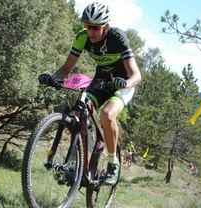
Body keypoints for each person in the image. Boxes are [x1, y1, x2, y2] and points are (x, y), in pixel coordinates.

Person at [38, 2, 142, 185]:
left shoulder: (117, 37)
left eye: (95, 27)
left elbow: (136, 75)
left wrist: (125, 82)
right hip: (101, 80)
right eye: (87, 26)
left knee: (107, 114)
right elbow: (66, 68)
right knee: (79, 112)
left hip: (123, 82)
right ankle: (81, 164)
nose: (90, 31)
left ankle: (113, 163)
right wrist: (53, 78)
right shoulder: (82, 37)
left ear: (106, 26)